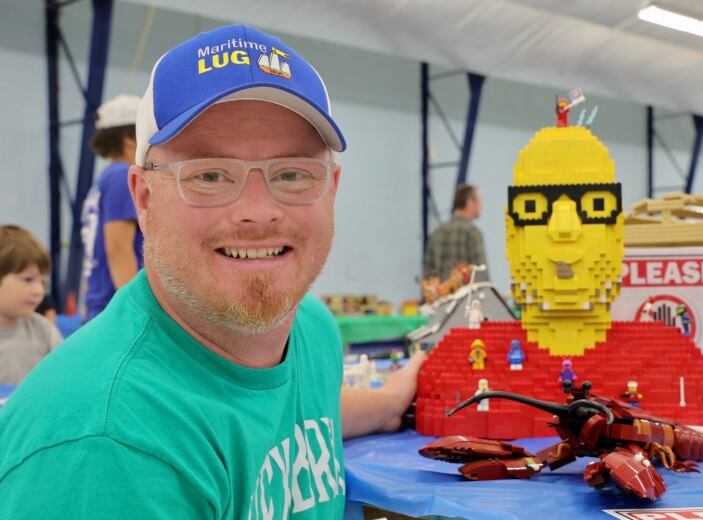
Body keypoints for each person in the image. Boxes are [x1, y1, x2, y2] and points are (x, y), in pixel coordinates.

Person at [0, 24, 424, 518]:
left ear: (331, 189)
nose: (259, 211)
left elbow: (280, 410)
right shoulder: (106, 447)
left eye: (291, 174)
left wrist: (393, 401)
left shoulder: (311, 331)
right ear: (143, 199)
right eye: (209, 175)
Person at [80, 94, 144, 320]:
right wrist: (136, 309)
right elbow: (118, 249)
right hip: (115, 309)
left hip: (102, 304)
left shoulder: (107, 178)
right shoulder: (120, 177)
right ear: (129, 139)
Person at [0, 225, 62, 385]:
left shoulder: (44, 331)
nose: (39, 290)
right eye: (28, 279)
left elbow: (64, 379)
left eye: (42, 282)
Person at [423, 184, 487, 281]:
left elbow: (428, 276)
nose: (481, 206)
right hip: (469, 296)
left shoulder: (436, 233)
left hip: (441, 296)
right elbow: (481, 276)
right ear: (470, 202)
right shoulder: (472, 233)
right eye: (479, 201)